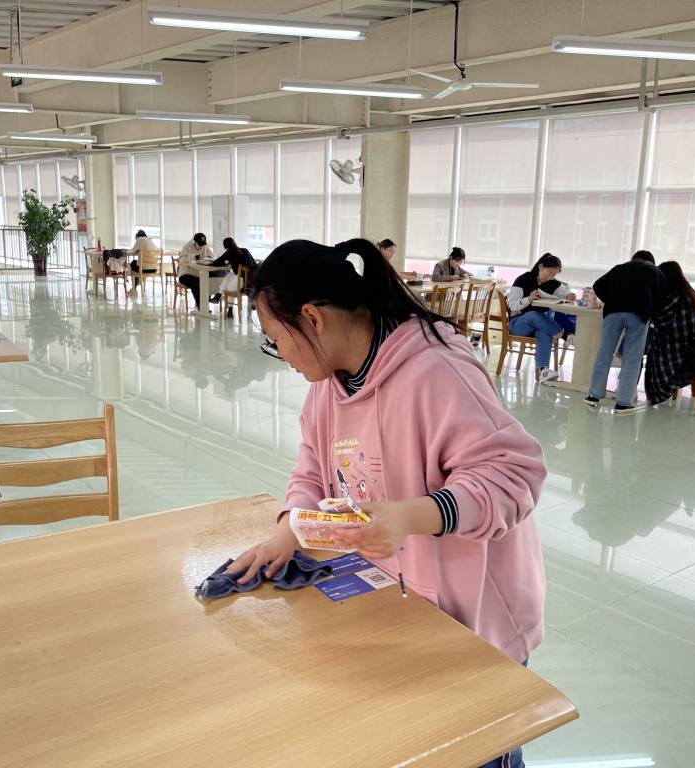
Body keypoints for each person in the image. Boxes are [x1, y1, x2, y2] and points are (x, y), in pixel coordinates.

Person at [229, 238, 547, 768]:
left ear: (312, 319)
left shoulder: (436, 372)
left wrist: (410, 516)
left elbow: (515, 475)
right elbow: (312, 466)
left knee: (477, 754)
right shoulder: (330, 383)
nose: (280, 355)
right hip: (404, 609)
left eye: (275, 339)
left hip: (474, 627)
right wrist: (289, 531)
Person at [584, 251, 666, 414]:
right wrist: (651, 310)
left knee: (604, 354)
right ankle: (623, 403)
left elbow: (598, 285)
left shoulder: (619, 268)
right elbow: (661, 298)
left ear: (633, 260)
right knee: (632, 358)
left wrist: (611, 299)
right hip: (639, 314)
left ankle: (593, 396)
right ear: (651, 262)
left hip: (613, 313)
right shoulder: (655, 272)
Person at [506, 253, 576, 384]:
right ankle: (564, 335)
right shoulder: (522, 280)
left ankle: (544, 371)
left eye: (553, 275)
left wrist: (569, 296)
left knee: (544, 331)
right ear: (541, 266)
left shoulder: (552, 283)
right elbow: (513, 305)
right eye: (549, 273)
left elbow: (565, 292)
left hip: (539, 324)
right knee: (533, 315)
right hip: (518, 323)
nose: (550, 277)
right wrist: (529, 299)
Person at [645, 261, 695, 406]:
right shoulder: (692, 295)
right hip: (692, 349)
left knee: (645, 341)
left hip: (679, 355)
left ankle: (652, 393)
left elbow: (656, 319)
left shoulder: (675, 298)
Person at [209, 237, 257, 315]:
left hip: (241, 280)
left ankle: (230, 311)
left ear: (225, 246)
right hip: (249, 280)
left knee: (229, 289)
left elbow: (217, 262)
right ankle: (218, 296)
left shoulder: (229, 252)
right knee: (228, 276)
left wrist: (223, 263)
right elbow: (253, 262)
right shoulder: (245, 250)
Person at [176, 232, 215, 310]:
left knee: (210, 281)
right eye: (199, 245)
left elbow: (213, 257)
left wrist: (209, 258)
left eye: (202, 245)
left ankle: (205, 302)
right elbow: (182, 261)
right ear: (194, 242)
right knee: (197, 283)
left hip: (200, 274)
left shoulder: (205, 247)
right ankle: (201, 306)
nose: (201, 247)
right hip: (185, 274)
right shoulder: (187, 247)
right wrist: (194, 257)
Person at [126, 229, 160, 297]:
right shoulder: (150, 240)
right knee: (138, 263)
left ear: (137, 236)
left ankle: (134, 288)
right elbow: (158, 249)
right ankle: (138, 282)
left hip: (144, 269)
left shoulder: (139, 239)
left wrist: (126, 251)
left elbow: (132, 250)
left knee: (133, 263)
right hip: (154, 269)